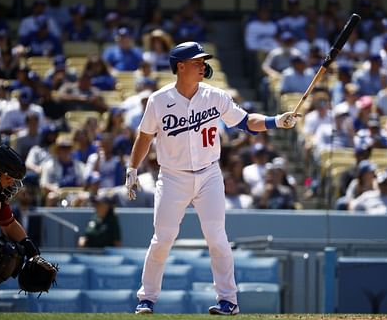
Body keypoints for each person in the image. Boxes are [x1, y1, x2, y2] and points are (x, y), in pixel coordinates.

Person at [125, 41, 298, 315]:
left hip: (209, 174)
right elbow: (145, 136)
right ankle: (146, 299)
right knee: (162, 239)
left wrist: (276, 120)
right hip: (172, 177)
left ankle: (228, 301)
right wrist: (133, 168)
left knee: (217, 238)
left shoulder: (215, 96)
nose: (202, 65)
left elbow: (244, 121)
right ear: (180, 66)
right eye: (196, 61)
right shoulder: (159, 100)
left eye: (203, 60)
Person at [0, 145, 44, 290]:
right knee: (4, 254)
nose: (12, 182)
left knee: (13, 253)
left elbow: (9, 225)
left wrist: (32, 252)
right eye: (9, 177)